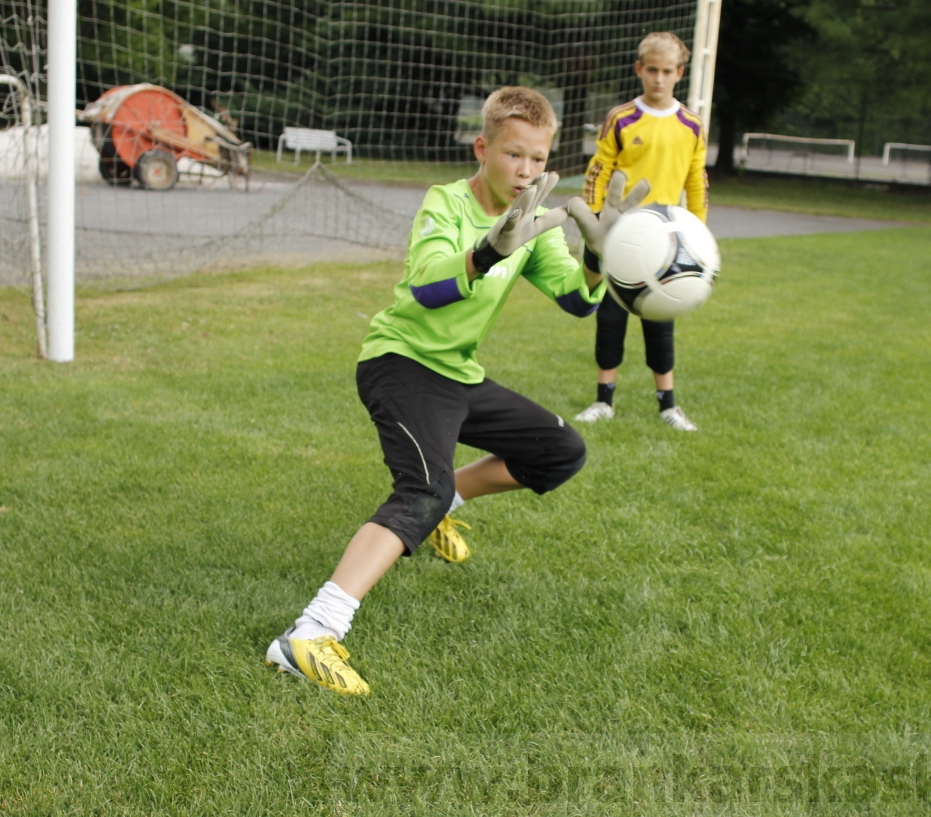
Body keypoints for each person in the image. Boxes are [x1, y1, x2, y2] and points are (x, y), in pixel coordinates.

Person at [265, 86, 648, 695]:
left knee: (560, 451)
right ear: (483, 148)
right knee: (422, 488)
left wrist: (599, 258)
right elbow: (427, 287)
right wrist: (486, 252)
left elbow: (577, 301)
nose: (526, 171)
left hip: (458, 373)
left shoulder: (536, 215)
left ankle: (443, 511)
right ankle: (309, 635)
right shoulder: (445, 203)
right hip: (401, 363)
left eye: (538, 158)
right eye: (513, 155)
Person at [574, 31, 709, 432]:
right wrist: (596, 221)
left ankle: (668, 405)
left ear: (679, 73)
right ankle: (603, 401)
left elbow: (696, 180)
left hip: (667, 242)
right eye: (652, 70)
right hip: (620, 236)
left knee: (659, 320)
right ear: (639, 70)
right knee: (611, 317)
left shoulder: (691, 124)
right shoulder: (620, 118)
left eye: (667, 71)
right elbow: (598, 171)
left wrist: (698, 232)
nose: (659, 78)